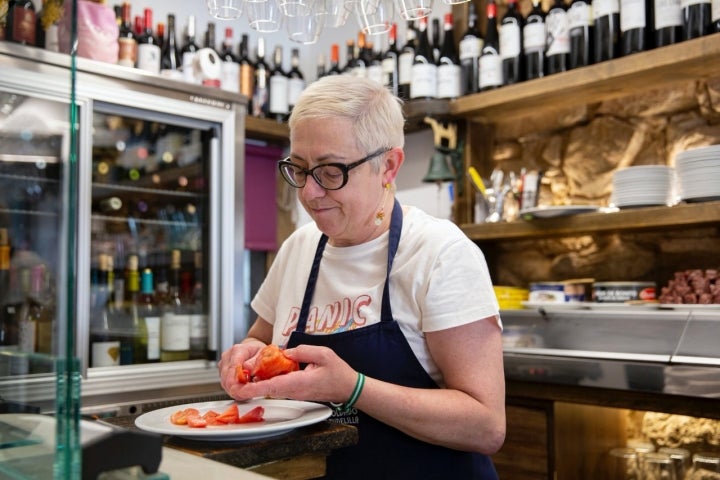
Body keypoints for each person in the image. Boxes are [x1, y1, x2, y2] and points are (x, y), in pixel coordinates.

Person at [218, 75, 506, 479]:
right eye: (299, 168)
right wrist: (243, 357)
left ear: (388, 165)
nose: (309, 193)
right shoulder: (298, 248)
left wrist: (353, 388)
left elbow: (486, 425)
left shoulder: (440, 254)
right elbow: (260, 340)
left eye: (331, 171)